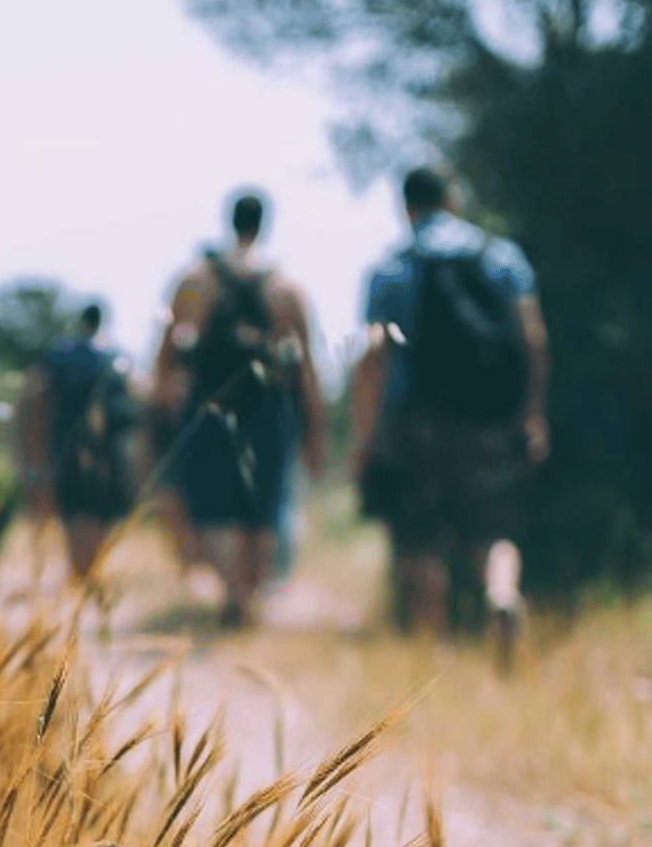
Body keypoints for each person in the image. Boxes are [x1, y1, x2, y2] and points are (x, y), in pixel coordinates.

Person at [348, 165, 550, 669]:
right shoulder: (499, 256)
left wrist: (365, 436)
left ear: (406, 205)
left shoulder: (392, 266)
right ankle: (502, 595)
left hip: (417, 419)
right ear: (453, 199)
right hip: (488, 415)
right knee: (493, 525)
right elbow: (533, 339)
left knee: (420, 535)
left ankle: (435, 653)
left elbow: (374, 358)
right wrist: (531, 414)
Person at [153, 192, 327, 627]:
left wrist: (159, 419)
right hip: (268, 406)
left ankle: (233, 592)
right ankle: (250, 596)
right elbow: (306, 367)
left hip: (210, 404)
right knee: (263, 500)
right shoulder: (286, 286)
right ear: (264, 223)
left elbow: (165, 357)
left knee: (217, 500)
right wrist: (314, 432)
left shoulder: (194, 280)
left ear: (228, 221)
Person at [16, 303, 140, 583]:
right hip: (109, 453)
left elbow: (35, 401)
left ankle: (80, 573)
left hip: (68, 449)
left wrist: (34, 454)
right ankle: (87, 572)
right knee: (97, 514)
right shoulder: (115, 356)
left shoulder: (58, 355)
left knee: (75, 515)